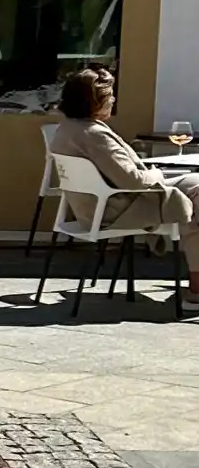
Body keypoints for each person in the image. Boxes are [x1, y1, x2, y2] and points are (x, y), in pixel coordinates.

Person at [50, 66, 199, 297]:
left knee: (195, 185)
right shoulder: (94, 134)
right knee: (196, 200)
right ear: (92, 101)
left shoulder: (68, 129)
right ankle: (197, 289)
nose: (113, 99)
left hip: (98, 206)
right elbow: (133, 179)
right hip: (117, 209)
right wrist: (157, 174)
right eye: (109, 95)